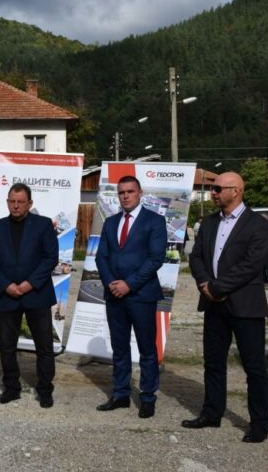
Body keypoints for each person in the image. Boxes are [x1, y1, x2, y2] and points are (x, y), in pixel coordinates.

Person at [184, 172, 268, 443]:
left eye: (218, 189)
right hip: (213, 304)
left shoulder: (258, 225)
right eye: (213, 188)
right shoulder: (209, 222)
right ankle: (212, 413)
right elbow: (196, 256)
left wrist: (218, 287)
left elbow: (252, 265)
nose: (213, 193)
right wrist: (205, 284)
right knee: (213, 363)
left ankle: (259, 423)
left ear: (237, 191)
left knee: (254, 367)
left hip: (245, 306)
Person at [94, 175, 167, 419]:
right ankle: (121, 394)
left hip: (141, 295)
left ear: (140, 193)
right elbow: (101, 257)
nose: (125, 196)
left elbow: (155, 258)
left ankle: (147, 397)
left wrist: (129, 284)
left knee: (147, 348)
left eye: (130, 191)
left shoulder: (154, 221)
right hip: (114, 294)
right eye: (121, 192)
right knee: (119, 347)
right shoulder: (111, 222)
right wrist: (111, 283)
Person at [0, 183, 58, 408]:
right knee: (7, 346)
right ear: (8, 202)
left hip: (37, 294)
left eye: (20, 202)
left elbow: (50, 257)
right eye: (12, 201)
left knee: (44, 346)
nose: (16, 206)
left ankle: (45, 390)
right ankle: (11, 388)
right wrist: (6, 285)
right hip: (7, 295)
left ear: (29, 203)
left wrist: (28, 284)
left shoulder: (43, 225)